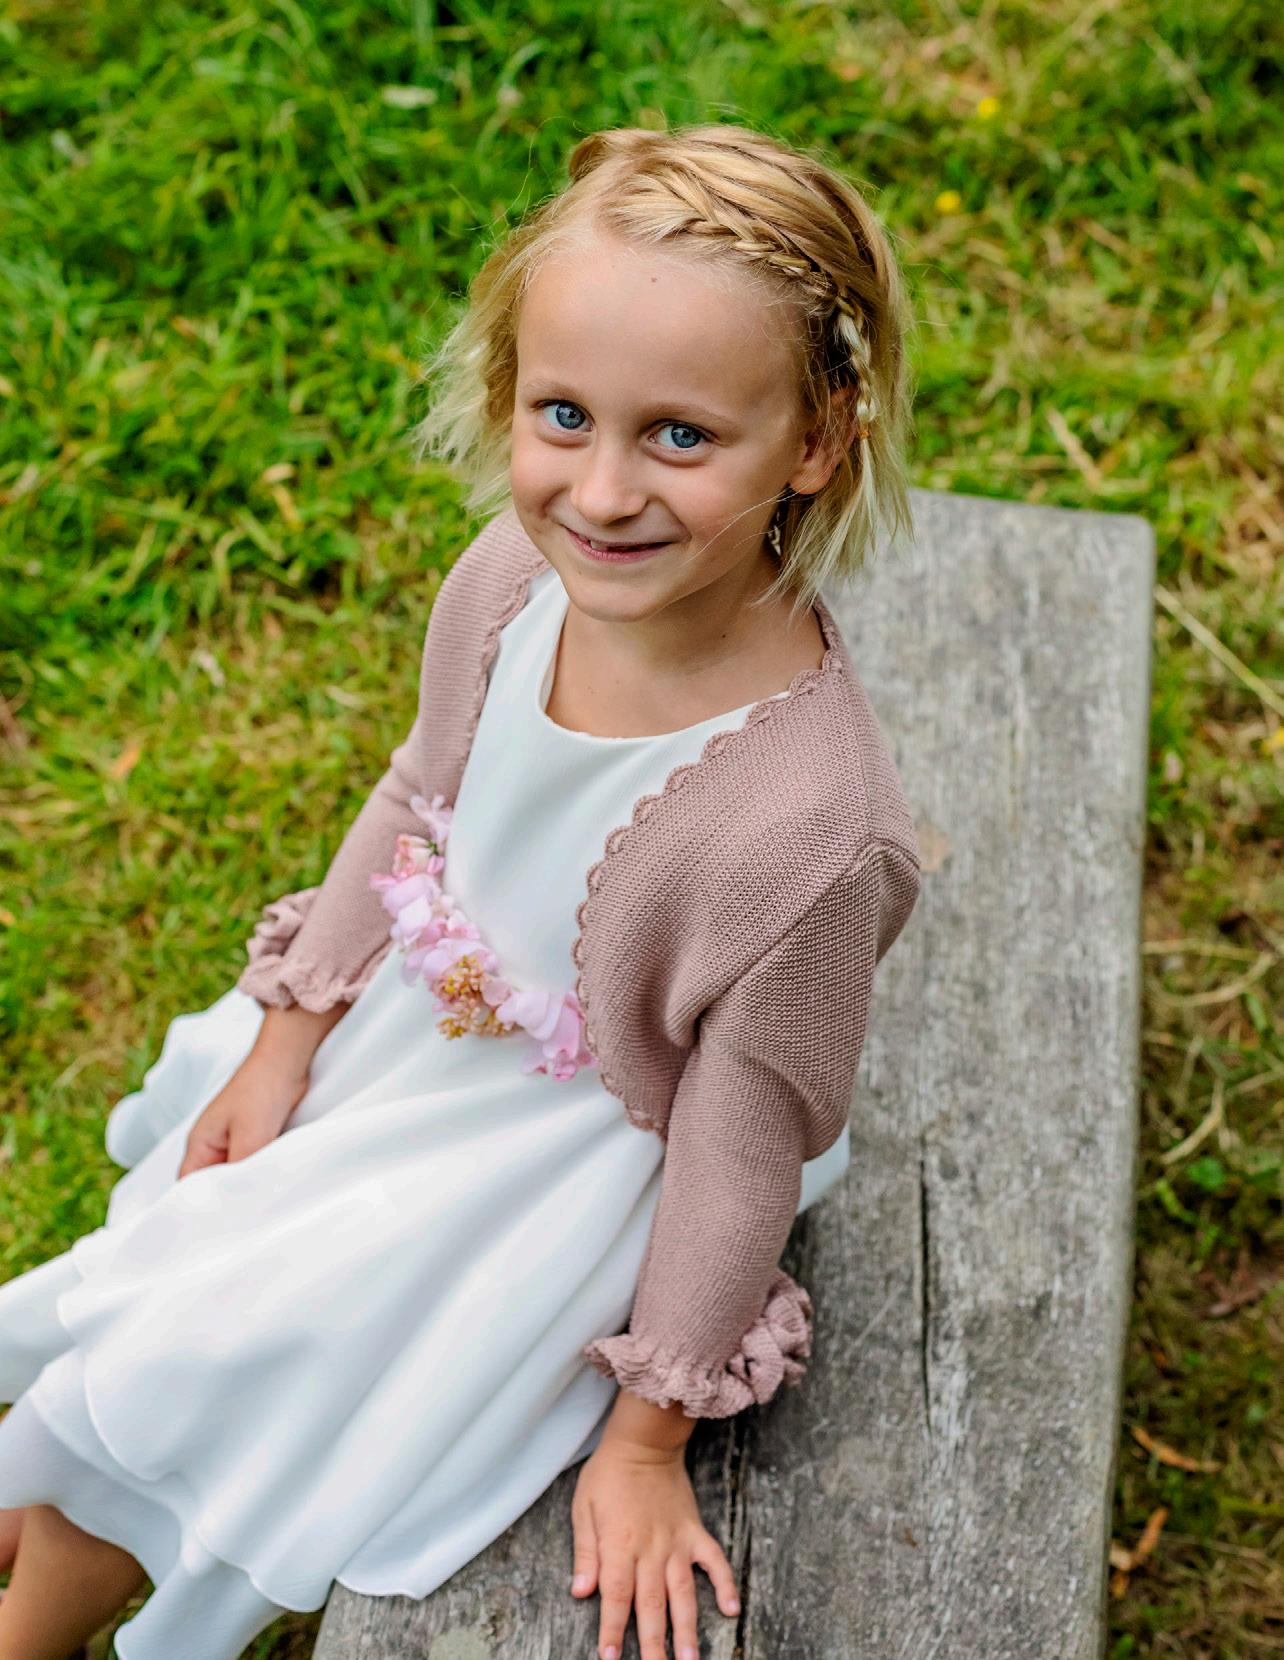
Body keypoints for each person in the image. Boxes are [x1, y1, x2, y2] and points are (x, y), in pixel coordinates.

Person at [0, 121, 921, 1660]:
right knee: (166, 1277)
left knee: (205, 1362)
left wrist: (645, 1442)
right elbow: (418, 796)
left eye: (679, 436)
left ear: (817, 440)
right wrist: (287, 1038)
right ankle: (34, 1509)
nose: (602, 492)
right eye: (564, 415)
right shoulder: (510, 581)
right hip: (408, 1045)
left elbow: (740, 1150)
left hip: (544, 1168)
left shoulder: (808, 834)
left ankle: (37, 1612)